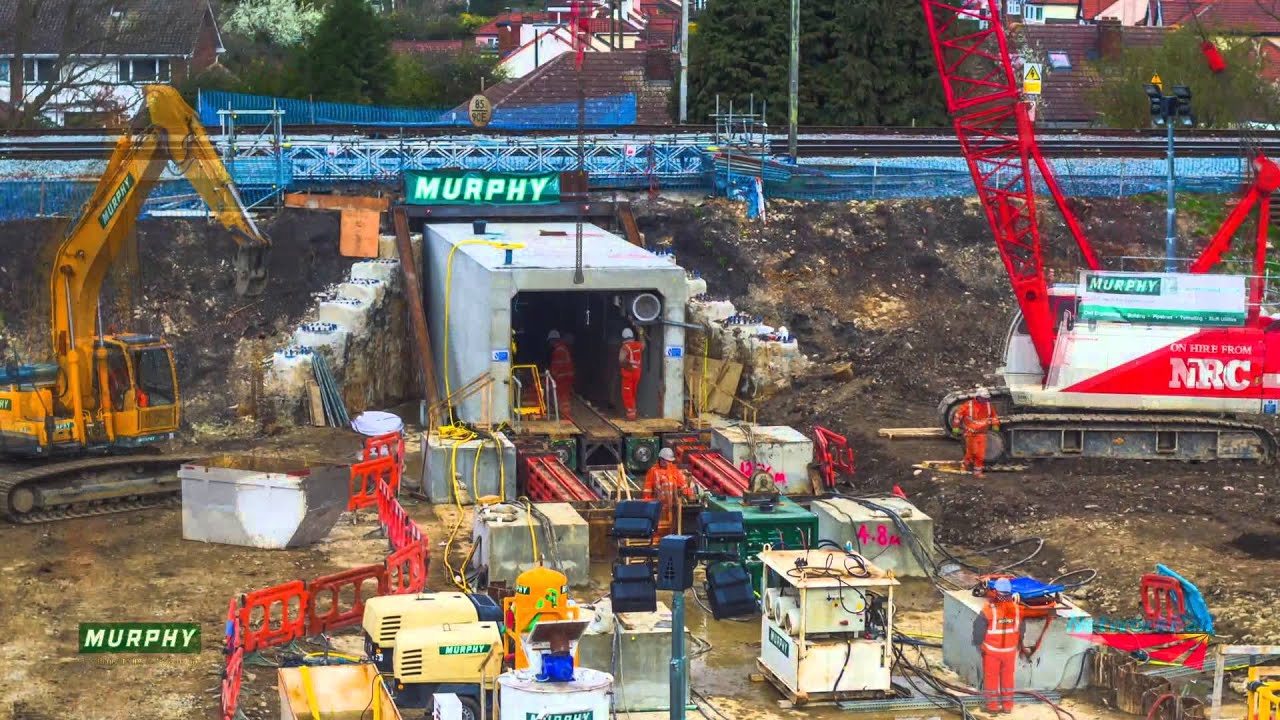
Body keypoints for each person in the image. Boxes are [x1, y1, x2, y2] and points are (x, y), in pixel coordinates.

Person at [977, 578, 1022, 713]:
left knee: (991, 679)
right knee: (1008, 678)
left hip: (992, 651)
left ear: (995, 591)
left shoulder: (988, 609)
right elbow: (1022, 630)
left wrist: (980, 646)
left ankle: (992, 707)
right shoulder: (1017, 608)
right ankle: (1008, 706)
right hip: (1010, 652)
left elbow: (978, 630)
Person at [642, 448, 695, 539]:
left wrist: (690, 496)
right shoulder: (653, 471)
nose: (666, 463)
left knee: (672, 526)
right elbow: (647, 491)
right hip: (658, 506)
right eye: (664, 460)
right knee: (658, 527)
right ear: (660, 459)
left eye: (668, 461)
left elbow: (683, 486)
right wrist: (647, 506)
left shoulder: (674, 470)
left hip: (672, 506)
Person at [953, 387, 1000, 477]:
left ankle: (977, 472)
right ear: (978, 397)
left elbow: (994, 416)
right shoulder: (969, 405)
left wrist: (995, 424)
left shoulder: (988, 405)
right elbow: (958, 414)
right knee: (972, 452)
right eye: (984, 398)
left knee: (980, 454)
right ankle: (964, 466)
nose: (985, 400)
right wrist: (956, 427)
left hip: (982, 433)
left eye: (986, 398)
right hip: (971, 433)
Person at [547, 329, 575, 420]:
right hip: (566, 377)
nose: (550, 344)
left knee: (563, 399)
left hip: (563, 378)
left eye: (550, 341)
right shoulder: (563, 348)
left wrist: (550, 378)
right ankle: (565, 416)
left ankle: (566, 418)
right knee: (564, 398)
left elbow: (556, 366)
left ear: (553, 340)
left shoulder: (558, 350)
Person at [618, 327, 645, 420]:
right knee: (633, 392)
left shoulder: (625, 347)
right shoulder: (638, 345)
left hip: (628, 374)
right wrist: (641, 334)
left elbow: (621, 360)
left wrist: (627, 366)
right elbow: (643, 345)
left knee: (627, 393)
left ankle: (631, 414)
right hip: (637, 373)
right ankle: (633, 411)